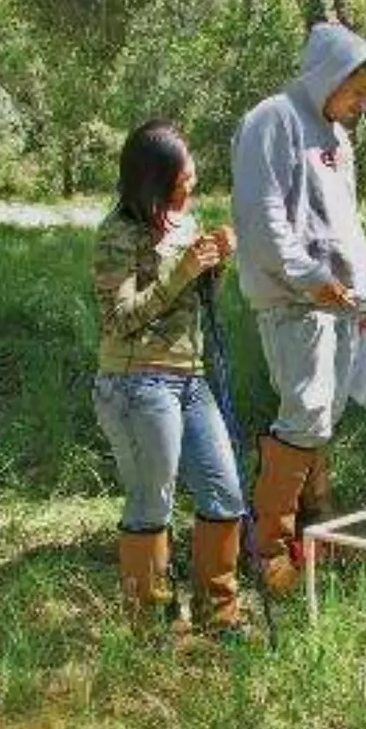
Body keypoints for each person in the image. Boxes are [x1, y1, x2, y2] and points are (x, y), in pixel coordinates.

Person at [232, 22, 366, 592]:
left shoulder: (337, 136)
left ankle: (316, 531)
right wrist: (311, 277)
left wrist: (359, 297)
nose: (360, 104)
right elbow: (262, 214)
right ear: (329, 74)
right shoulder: (272, 119)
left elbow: (345, 221)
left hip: (340, 303)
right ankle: (268, 545)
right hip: (295, 301)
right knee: (306, 412)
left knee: (325, 415)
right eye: (357, 92)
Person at [91, 119, 247, 632]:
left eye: (193, 182)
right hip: (137, 384)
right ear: (152, 182)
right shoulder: (118, 234)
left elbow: (193, 301)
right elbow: (118, 319)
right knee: (151, 503)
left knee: (224, 492)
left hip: (190, 378)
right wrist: (180, 271)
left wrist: (213, 267)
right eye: (181, 183)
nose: (190, 189)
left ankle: (218, 616)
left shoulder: (185, 223)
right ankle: (152, 624)